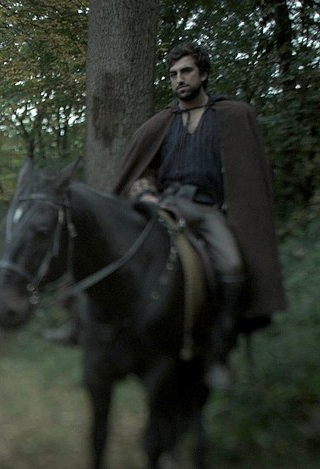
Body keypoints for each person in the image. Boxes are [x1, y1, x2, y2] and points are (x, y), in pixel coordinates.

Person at [112, 42, 287, 387]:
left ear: (203, 74)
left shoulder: (232, 116)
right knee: (121, 255)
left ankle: (219, 351)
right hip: (166, 207)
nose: (179, 79)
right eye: (173, 74)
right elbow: (141, 172)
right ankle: (102, 333)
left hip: (208, 211)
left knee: (232, 266)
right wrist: (145, 193)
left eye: (186, 71)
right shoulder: (160, 125)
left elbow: (246, 174)